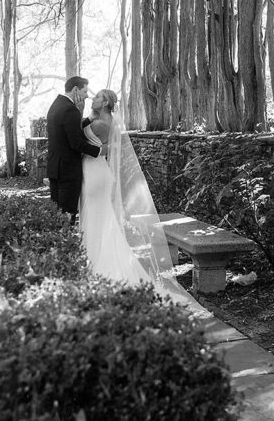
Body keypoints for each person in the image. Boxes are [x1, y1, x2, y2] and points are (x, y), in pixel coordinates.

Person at [78, 89, 202, 313]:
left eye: (97, 97)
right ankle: (93, 263)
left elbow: (82, 144)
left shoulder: (99, 125)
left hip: (94, 173)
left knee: (96, 219)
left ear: (105, 102)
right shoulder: (105, 120)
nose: (92, 99)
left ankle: (99, 266)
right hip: (99, 172)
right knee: (101, 219)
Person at [46, 76, 101, 224]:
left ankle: (57, 244)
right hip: (68, 171)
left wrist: (89, 119)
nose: (87, 96)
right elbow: (76, 143)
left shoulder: (57, 104)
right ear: (75, 89)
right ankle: (65, 245)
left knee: (57, 213)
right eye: (84, 91)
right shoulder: (71, 109)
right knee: (67, 214)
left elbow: (69, 130)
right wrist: (100, 152)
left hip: (55, 168)